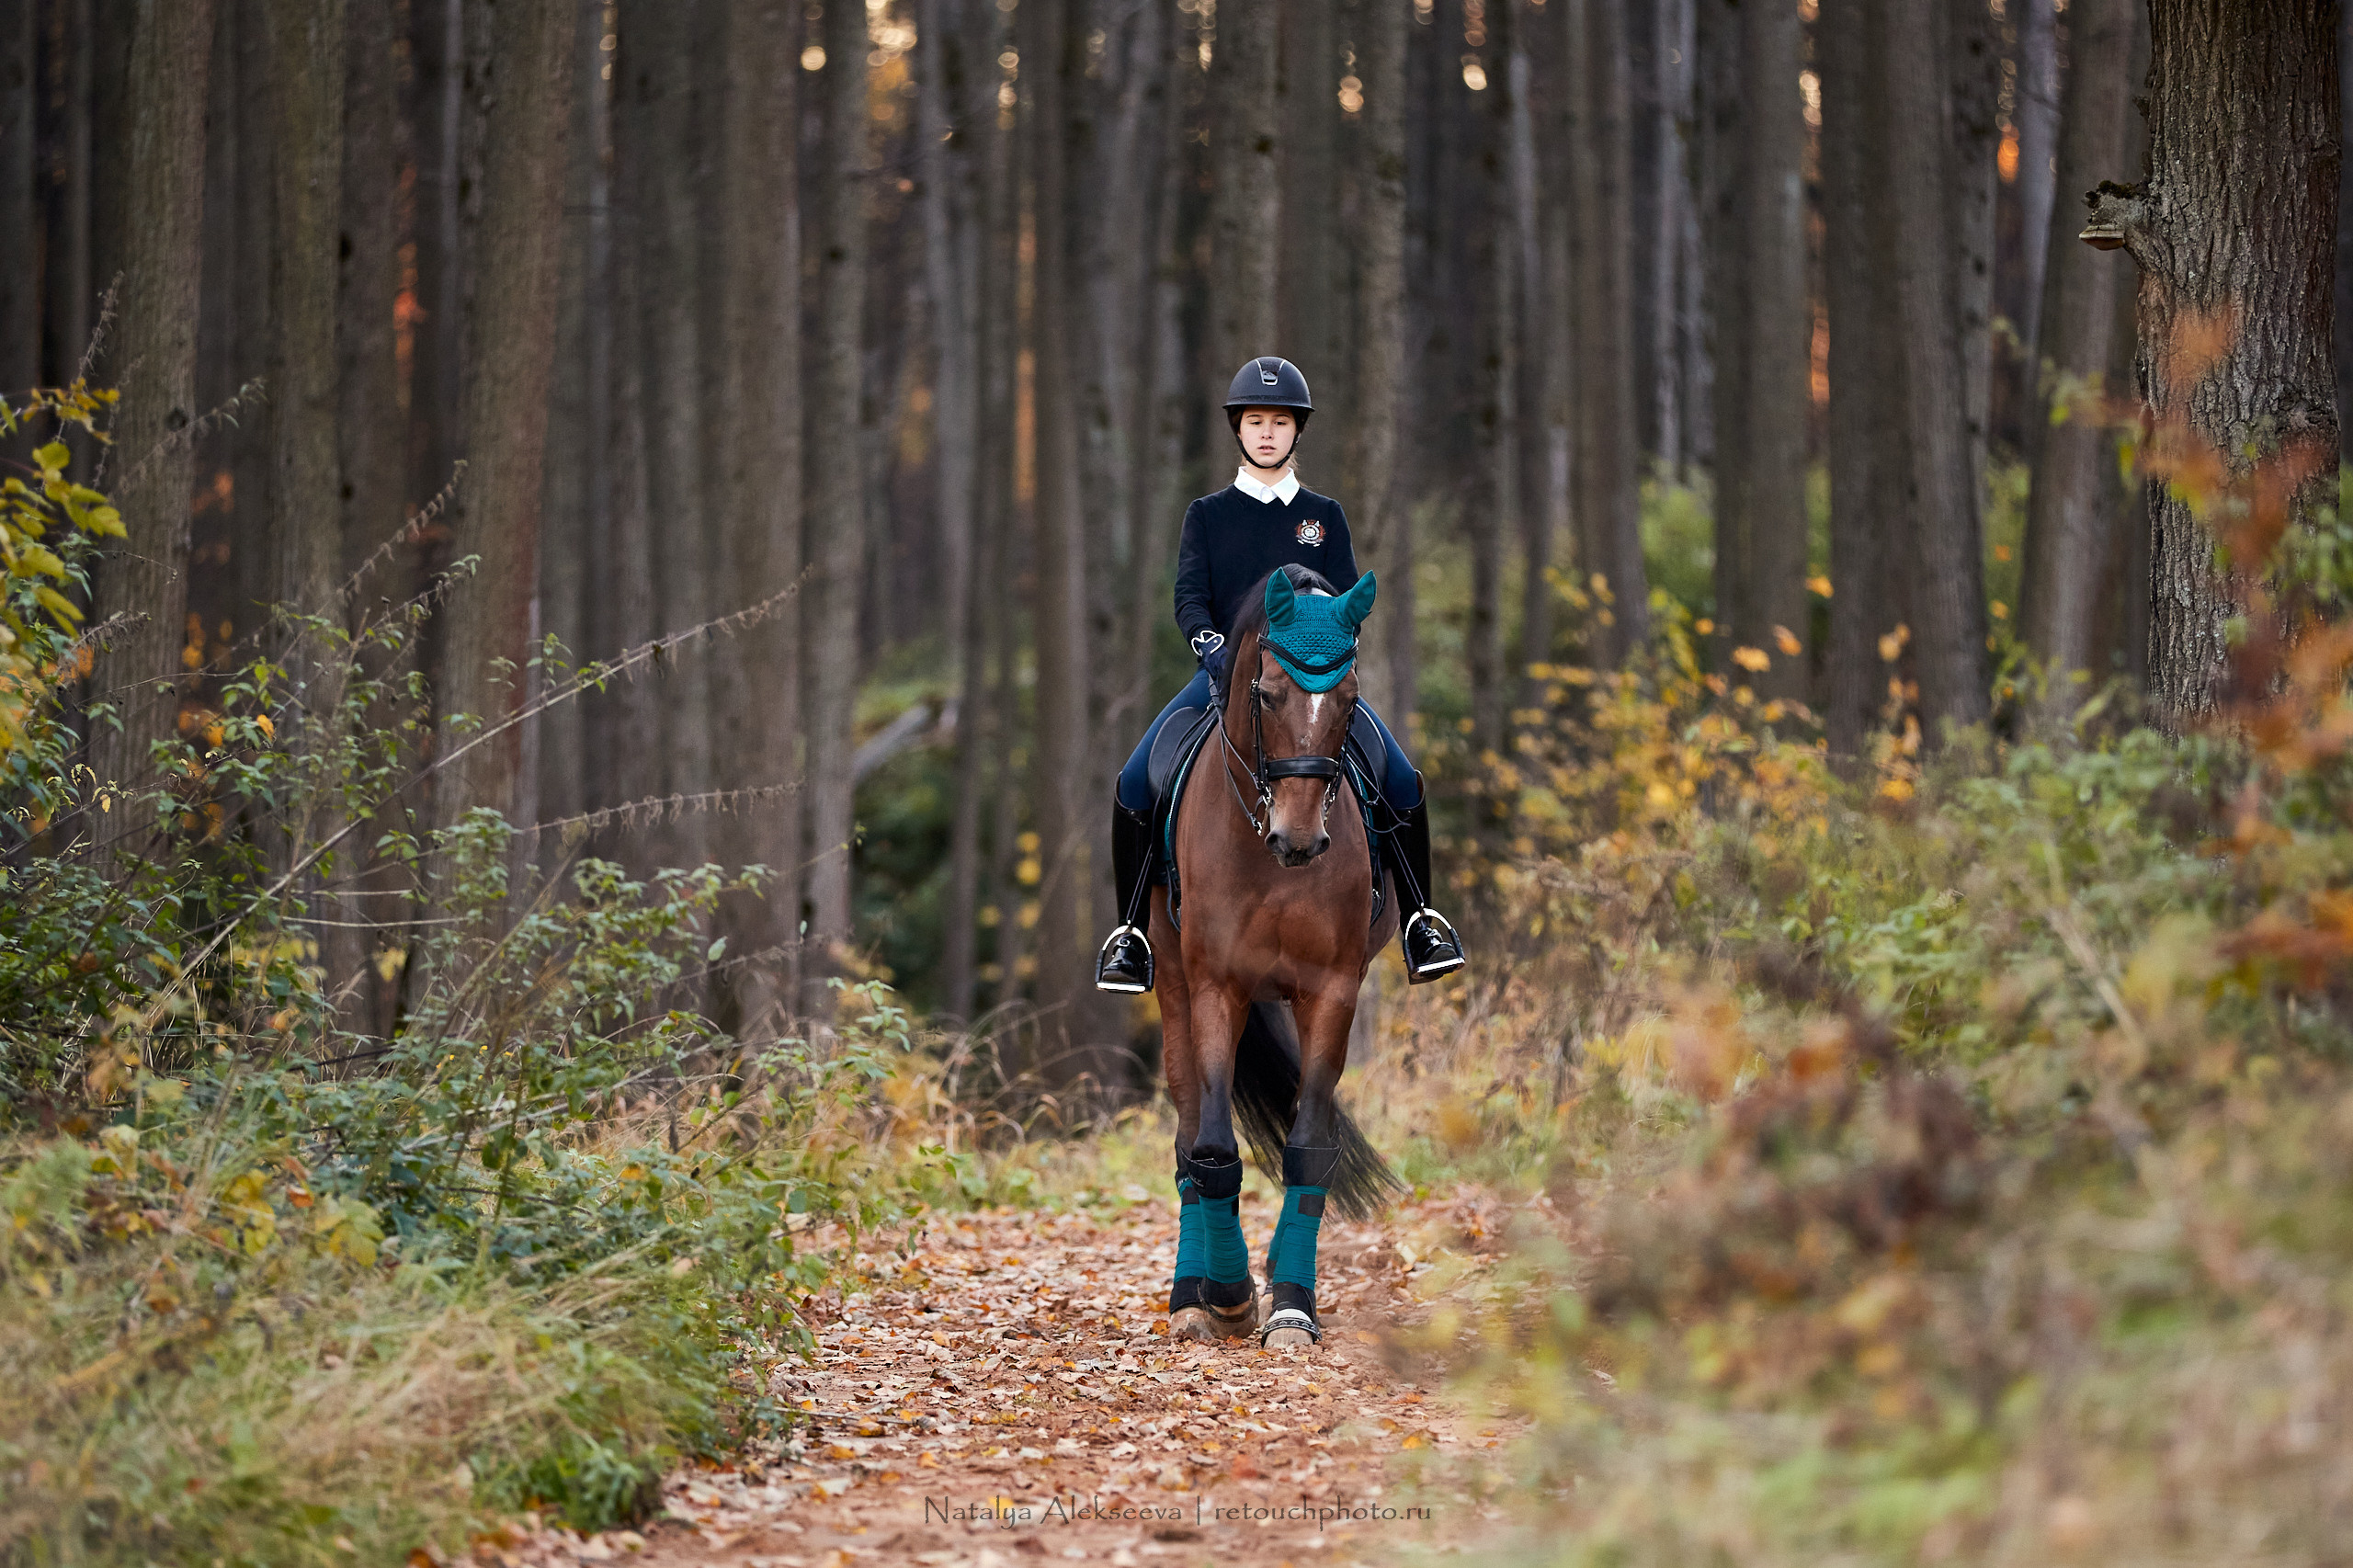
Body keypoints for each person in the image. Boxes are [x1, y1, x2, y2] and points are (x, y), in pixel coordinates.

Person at [1095, 356, 1467, 994]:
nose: (1267, 433)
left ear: (1298, 432)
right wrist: (1211, 645)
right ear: (1238, 430)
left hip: (1313, 689)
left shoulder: (1325, 515)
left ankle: (1421, 922)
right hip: (1221, 680)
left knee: (1402, 779)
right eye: (1255, 421)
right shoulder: (1208, 515)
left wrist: (1329, 655)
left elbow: (1349, 595)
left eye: (1280, 422)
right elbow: (1189, 598)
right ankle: (1131, 936)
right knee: (1135, 782)